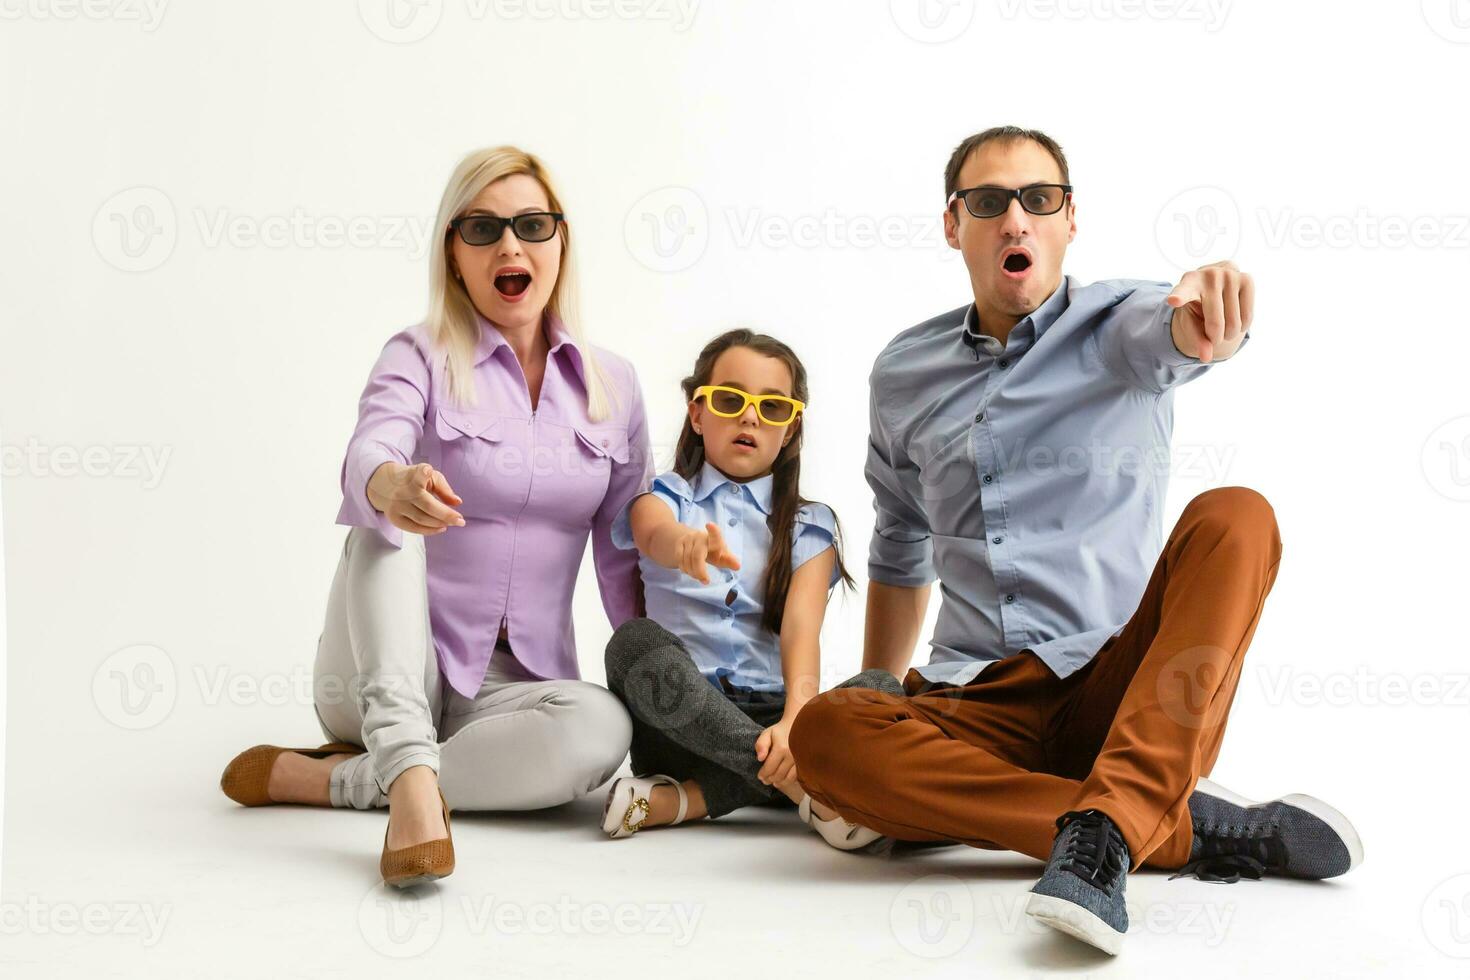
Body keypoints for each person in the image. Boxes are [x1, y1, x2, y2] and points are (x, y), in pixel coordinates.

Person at [788, 126, 1363, 955]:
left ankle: (1110, 813)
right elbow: (900, 537)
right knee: (827, 733)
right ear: (955, 225)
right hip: (978, 698)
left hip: (1123, 692)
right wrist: (880, 679)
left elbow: (1179, 331)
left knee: (1238, 514)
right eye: (989, 203)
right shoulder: (903, 371)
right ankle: (1159, 825)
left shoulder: (1120, 324)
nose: (1015, 219)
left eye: (1039, 199)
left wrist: (1210, 317)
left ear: (1068, 220)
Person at [219, 145, 651, 887]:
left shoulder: (615, 386)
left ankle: (341, 782)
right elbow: (369, 451)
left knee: (603, 728)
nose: (509, 245)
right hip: (383, 672)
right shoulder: (418, 354)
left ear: (561, 242)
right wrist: (390, 484)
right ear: (453, 254)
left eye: (531, 225)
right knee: (383, 522)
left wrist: (670, 701)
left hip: (512, 696)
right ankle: (411, 781)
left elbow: (624, 561)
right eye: (481, 229)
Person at [597, 329, 894, 851]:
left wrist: (796, 721)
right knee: (632, 643)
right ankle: (801, 787)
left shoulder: (810, 525)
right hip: (682, 722)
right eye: (731, 401)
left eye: (772, 408)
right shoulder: (666, 497)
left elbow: (801, 632)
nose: (750, 417)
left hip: (774, 718)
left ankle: (688, 800)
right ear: (697, 414)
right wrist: (684, 544)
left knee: (884, 691)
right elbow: (651, 532)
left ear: (790, 428)